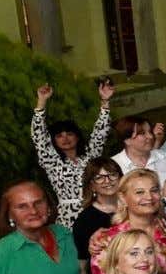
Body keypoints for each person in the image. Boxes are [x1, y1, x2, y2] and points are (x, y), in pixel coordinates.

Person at [31, 80, 113, 226]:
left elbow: (100, 133)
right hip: (69, 217)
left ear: (77, 136)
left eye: (69, 134)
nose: (65, 138)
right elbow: (38, 136)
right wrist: (41, 102)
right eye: (59, 136)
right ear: (53, 141)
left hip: (97, 210)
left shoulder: (90, 156)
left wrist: (105, 101)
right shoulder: (51, 161)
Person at [89, 169, 166, 274]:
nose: (149, 197)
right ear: (123, 198)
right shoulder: (108, 240)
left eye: (154, 190)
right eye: (139, 192)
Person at [73, 158, 123, 274]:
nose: (107, 181)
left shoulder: (133, 209)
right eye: (99, 178)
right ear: (92, 185)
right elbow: (82, 268)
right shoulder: (85, 220)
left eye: (112, 175)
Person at [112, 115, 166, 185]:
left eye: (150, 131)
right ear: (127, 140)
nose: (150, 136)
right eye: (142, 133)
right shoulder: (114, 166)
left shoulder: (163, 157)